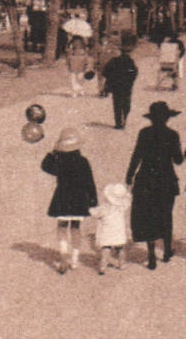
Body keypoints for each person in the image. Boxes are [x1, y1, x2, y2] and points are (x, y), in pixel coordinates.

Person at [126, 100, 184, 270]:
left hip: (146, 178)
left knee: (148, 215)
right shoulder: (173, 135)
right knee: (166, 214)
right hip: (166, 180)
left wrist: (129, 175)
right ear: (167, 118)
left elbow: (137, 156)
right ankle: (166, 251)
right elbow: (178, 160)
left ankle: (151, 255)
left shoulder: (144, 133)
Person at [41, 128, 98, 275]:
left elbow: (45, 165)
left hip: (62, 197)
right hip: (79, 199)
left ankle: (63, 256)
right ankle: (74, 259)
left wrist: (53, 152)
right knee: (75, 228)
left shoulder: (60, 162)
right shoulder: (83, 161)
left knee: (61, 227)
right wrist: (93, 202)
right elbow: (90, 183)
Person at [90, 183, 132, 272]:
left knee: (106, 249)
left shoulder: (105, 207)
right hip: (119, 232)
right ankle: (122, 264)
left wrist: (89, 209)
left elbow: (95, 213)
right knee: (120, 249)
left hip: (107, 232)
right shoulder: (122, 207)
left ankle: (103, 267)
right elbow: (128, 200)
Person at [100, 45, 140, 129]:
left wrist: (108, 81)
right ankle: (123, 120)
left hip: (117, 86)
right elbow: (135, 72)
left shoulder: (114, 61)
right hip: (126, 87)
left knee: (117, 105)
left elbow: (105, 72)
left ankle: (119, 123)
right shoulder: (130, 61)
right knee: (126, 104)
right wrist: (130, 81)